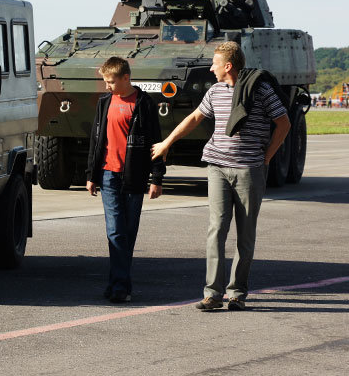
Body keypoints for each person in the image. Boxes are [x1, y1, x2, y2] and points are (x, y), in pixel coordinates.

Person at [151, 41, 291, 311]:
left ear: (228, 66)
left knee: (245, 234)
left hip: (249, 170)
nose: (211, 68)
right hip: (217, 166)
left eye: (215, 63)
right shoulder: (215, 91)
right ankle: (212, 293)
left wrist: (268, 156)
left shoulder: (260, 90)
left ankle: (237, 293)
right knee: (216, 229)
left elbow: (283, 122)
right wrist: (168, 141)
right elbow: (194, 118)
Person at [86, 56, 165, 303]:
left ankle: (117, 283)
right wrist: (92, 175)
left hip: (135, 175)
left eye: (111, 81)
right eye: (105, 81)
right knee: (115, 231)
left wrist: (157, 178)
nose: (107, 86)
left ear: (126, 78)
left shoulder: (144, 104)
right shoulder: (104, 102)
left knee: (128, 232)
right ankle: (121, 286)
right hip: (108, 174)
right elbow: (96, 140)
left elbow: (157, 142)